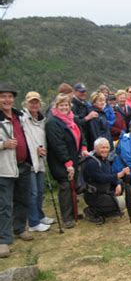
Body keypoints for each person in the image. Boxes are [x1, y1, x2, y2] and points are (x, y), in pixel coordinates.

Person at [0, 85, 34, 258]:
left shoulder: (19, 116)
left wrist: (36, 152)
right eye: (3, 97)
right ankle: (4, 240)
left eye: (9, 97)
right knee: (5, 205)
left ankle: (19, 228)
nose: (7, 100)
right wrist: (3, 145)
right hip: (4, 169)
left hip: (23, 165)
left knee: (23, 200)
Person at [46, 94, 88, 229]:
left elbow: (81, 134)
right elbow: (58, 145)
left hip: (73, 159)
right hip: (61, 162)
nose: (64, 107)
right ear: (56, 107)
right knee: (65, 187)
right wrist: (67, 163)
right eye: (61, 105)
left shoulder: (71, 120)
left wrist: (83, 146)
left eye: (66, 105)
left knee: (72, 187)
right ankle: (67, 217)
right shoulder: (53, 123)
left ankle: (74, 213)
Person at [21, 92, 55, 233]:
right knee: (33, 192)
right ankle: (33, 222)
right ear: (26, 104)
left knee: (40, 191)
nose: (34, 105)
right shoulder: (22, 119)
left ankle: (40, 216)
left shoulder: (41, 120)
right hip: (29, 161)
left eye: (36, 102)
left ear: (40, 104)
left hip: (40, 159)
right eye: (31, 102)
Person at [83, 138, 130, 224]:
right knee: (118, 204)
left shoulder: (105, 160)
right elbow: (101, 178)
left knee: (121, 188)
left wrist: (118, 184)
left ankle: (107, 209)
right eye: (102, 148)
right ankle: (91, 211)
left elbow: (111, 174)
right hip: (95, 195)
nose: (105, 150)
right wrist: (118, 175)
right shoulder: (91, 162)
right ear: (95, 148)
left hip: (106, 190)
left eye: (107, 148)